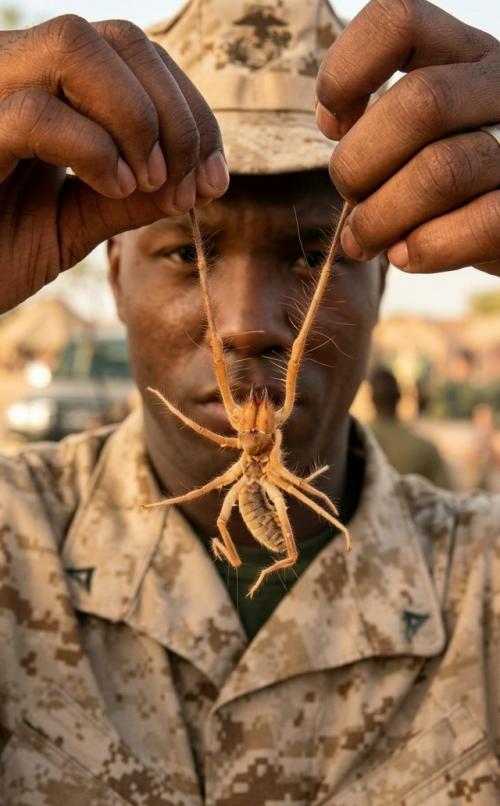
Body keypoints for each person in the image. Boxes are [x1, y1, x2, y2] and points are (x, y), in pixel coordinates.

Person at [0, 0, 499, 803]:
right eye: (184, 249)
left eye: (312, 258)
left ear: (382, 278)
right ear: (116, 274)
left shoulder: (483, 583)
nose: (245, 328)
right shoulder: (12, 541)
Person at [369, 366, 452, 487]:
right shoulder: (425, 449)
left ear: (372, 399)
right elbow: (446, 499)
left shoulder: (354, 444)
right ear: (399, 397)